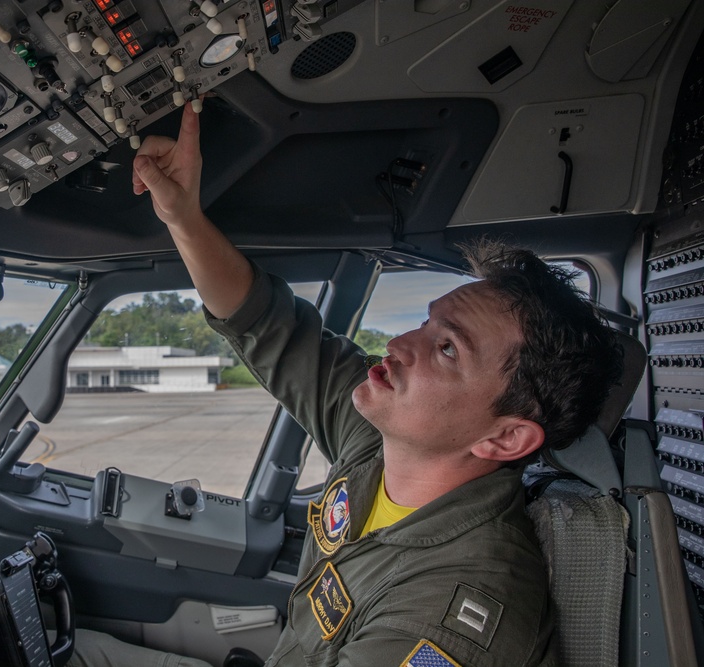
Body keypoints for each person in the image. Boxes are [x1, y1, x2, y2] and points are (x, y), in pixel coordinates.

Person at [68, 104, 624, 667]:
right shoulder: (381, 439)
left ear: (505, 439)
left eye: (447, 348)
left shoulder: (460, 608)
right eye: (426, 323)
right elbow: (264, 323)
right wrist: (182, 216)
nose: (401, 345)